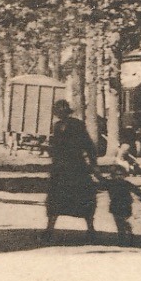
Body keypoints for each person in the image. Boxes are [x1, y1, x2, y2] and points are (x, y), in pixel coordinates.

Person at [41, 99, 99, 242]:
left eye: (61, 111)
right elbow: (56, 147)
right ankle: (49, 230)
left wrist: (93, 164)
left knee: (84, 197)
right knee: (55, 199)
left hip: (76, 166)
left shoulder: (78, 125)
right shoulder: (57, 126)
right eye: (57, 111)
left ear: (66, 112)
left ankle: (91, 229)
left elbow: (88, 145)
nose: (59, 114)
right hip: (60, 168)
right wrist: (49, 149)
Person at [97, 165, 141, 244]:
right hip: (115, 205)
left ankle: (128, 233)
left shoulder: (126, 183)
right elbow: (101, 186)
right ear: (113, 176)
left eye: (121, 175)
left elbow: (136, 189)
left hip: (126, 205)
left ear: (124, 175)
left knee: (122, 221)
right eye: (117, 175)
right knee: (119, 223)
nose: (119, 177)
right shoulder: (110, 183)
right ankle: (123, 238)